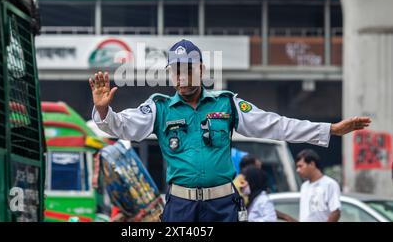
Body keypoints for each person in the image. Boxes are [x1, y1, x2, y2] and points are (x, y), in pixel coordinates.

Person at [89, 39, 370, 222]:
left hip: (222, 207)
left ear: (201, 69)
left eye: (188, 68)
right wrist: (103, 111)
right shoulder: (159, 108)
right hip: (180, 209)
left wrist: (330, 129)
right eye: (176, 69)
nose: (182, 75)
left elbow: (275, 124)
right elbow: (123, 126)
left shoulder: (227, 103)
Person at [295, 149, 341, 222]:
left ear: (312, 164)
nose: (298, 170)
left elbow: (336, 212)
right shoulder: (304, 186)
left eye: (300, 166)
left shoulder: (329, 184)